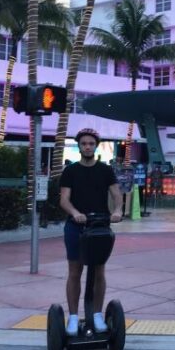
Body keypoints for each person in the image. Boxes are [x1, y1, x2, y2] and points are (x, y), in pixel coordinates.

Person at [59, 128, 123, 336]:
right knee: (75, 271)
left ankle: (96, 314)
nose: (87, 147)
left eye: (91, 144)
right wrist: (75, 213)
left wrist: (117, 210)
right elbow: (64, 200)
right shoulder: (70, 171)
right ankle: (73, 317)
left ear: (96, 146)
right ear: (79, 146)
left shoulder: (105, 170)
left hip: (99, 227)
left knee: (98, 272)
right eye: (84, 144)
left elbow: (116, 194)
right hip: (76, 227)